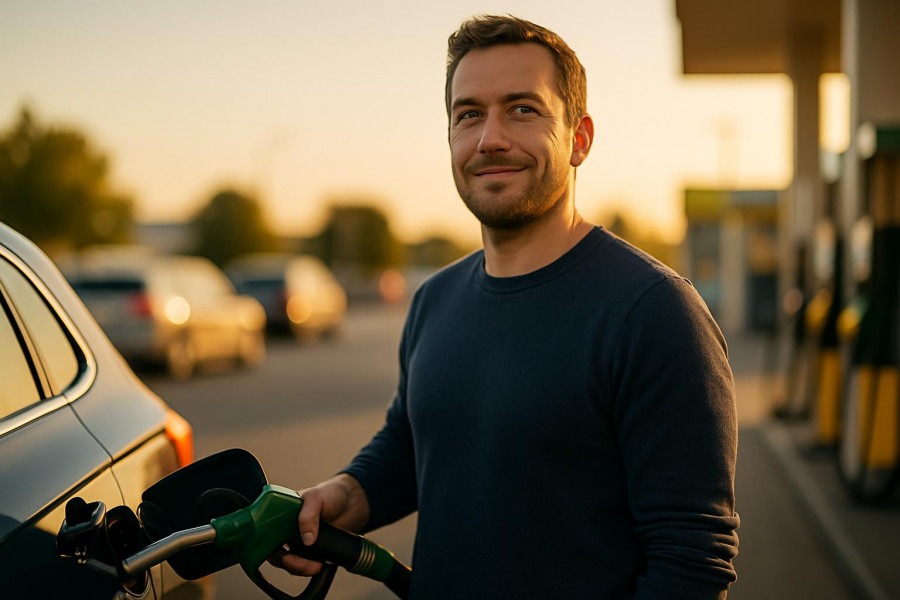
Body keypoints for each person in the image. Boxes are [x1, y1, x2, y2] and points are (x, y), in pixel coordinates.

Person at [272, 14, 740, 598]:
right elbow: (414, 442)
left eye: (522, 109)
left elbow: (691, 559)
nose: (490, 137)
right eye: (469, 114)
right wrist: (349, 492)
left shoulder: (655, 312)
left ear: (579, 138)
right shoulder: (433, 300)